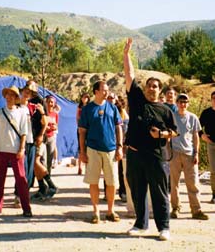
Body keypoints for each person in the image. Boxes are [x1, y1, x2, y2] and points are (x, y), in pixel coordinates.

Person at [123, 38, 178, 241]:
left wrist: (161, 135)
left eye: (155, 86)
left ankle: (164, 227)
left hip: (157, 157)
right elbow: (129, 75)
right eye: (149, 85)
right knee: (138, 192)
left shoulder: (165, 110)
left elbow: (174, 132)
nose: (151, 88)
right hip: (136, 154)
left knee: (160, 193)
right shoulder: (137, 100)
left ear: (160, 90)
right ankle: (140, 224)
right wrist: (126, 54)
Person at [79, 80, 123, 224]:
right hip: (92, 149)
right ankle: (96, 211)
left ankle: (110, 211)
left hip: (110, 149)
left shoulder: (113, 108)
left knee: (112, 182)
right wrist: (82, 151)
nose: (106, 92)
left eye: (107, 90)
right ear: (96, 92)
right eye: (103, 90)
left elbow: (118, 128)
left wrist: (120, 147)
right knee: (93, 181)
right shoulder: (87, 109)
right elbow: (82, 131)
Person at [0, 85, 32, 217]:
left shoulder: (21, 113)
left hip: (16, 150)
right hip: (1, 150)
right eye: (8, 94)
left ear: (16, 98)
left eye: (12, 95)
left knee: (21, 180)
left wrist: (22, 148)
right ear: (5, 96)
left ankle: (26, 208)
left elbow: (24, 133)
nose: (9, 97)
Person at [169, 93, 208, 220]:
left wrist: (196, 153)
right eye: (180, 101)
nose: (183, 104)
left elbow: (196, 136)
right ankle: (175, 208)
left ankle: (196, 210)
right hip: (174, 153)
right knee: (174, 184)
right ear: (177, 103)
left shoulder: (193, 117)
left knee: (193, 183)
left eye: (185, 102)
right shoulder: (172, 117)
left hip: (189, 154)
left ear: (188, 103)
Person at [76, 93, 90, 175]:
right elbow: (77, 118)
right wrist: (79, 127)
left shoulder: (90, 107)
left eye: (86, 97)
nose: (85, 99)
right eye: (84, 97)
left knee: (88, 147)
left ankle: (87, 167)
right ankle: (80, 167)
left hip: (88, 129)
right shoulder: (79, 107)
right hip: (81, 129)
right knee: (80, 147)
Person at [44, 95, 58, 173]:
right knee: (43, 159)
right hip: (43, 137)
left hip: (51, 137)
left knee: (49, 158)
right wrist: (46, 128)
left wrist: (54, 127)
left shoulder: (55, 114)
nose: (50, 103)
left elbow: (56, 125)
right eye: (48, 101)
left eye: (52, 102)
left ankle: (48, 176)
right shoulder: (43, 113)